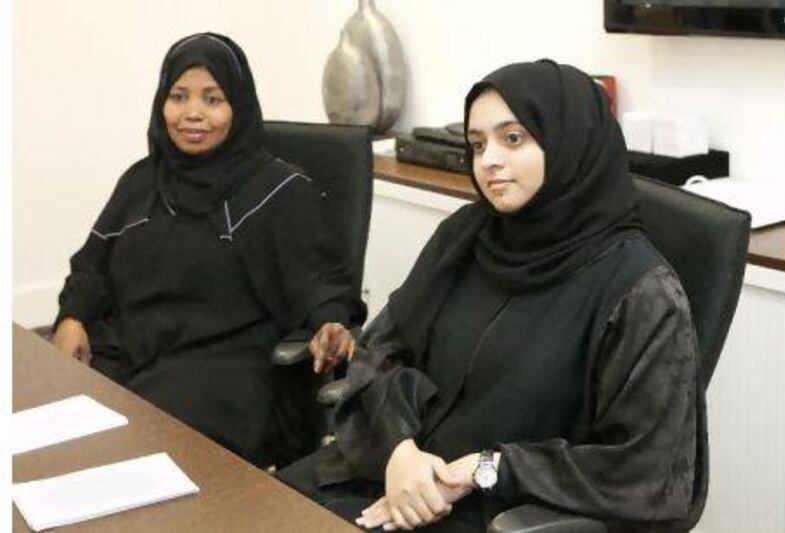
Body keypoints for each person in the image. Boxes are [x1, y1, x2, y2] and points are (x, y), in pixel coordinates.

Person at [277, 60, 706, 532]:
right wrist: (399, 452)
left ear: (568, 141)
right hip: (394, 476)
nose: (489, 161)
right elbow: (380, 348)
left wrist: (487, 469)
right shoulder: (465, 236)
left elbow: (650, 472)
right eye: (478, 144)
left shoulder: (642, 289)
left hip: (498, 511)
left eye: (513, 139)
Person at [52, 32, 366, 468]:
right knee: (55, 427)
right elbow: (92, 264)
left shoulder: (280, 191)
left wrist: (329, 323)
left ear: (238, 106)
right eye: (178, 96)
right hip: (130, 348)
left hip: (222, 369)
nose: (192, 113)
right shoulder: (142, 181)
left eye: (212, 99)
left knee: (130, 455)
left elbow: (320, 282)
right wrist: (72, 318)